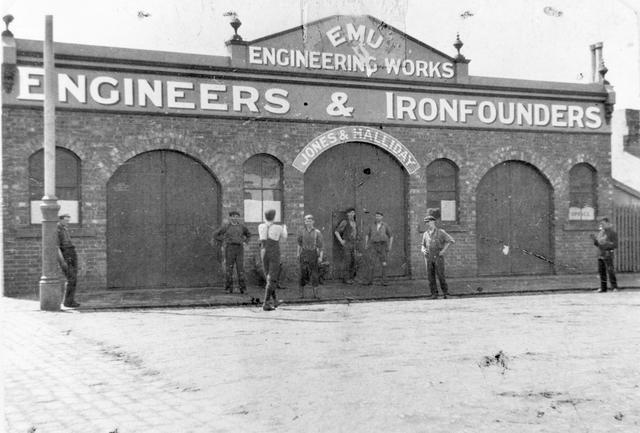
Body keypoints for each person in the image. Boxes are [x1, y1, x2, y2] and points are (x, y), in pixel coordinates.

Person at [214, 211, 251, 294]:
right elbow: (216, 235)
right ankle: (228, 288)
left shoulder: (242, 227)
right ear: (230, 217)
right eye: (233, 216)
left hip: (239, 249)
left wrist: (245, 241)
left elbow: (248, 234)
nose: (235, 218)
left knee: (240, 269)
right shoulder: (226, 227)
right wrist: (224, 240)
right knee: (229, 269)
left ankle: (243, 289)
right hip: (230, 248)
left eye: (237, 216)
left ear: (238, 218)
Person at [258, 209, 287, 311]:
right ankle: (265, 303)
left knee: (268, 277)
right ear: (274, 217)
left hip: (264, 251)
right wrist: (284, 227)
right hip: (274, 252)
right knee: (272, 278)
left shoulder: (261, 226)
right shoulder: (278, 227)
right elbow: (285, 236)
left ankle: (275, 301)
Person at [421, 213, 455, 299]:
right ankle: (434, 294)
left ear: (433, 222)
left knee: (440, 275)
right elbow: (422, 245)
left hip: (438, 256)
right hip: (428, 257)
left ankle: (445, 293)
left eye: (429, 222)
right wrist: (423, 250)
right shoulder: (425, 234)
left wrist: (443, 250)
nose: (427, 224)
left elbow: (451, 240)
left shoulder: (441, 232)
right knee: (430, 277)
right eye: (426, 223)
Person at [297, 214, 324, 299]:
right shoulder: (301, 231)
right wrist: (298, 253)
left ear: (313, 222)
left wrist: (320, 257)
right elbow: (299, 244)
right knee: (302, 274)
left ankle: (316, 295)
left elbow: (321, 246)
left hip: (313, 254)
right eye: (306, 221)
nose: (308, 222)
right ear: (304, 222)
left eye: (310, 221)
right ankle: (301, 295)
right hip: (304, 254)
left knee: (314, 274)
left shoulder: (317, 232)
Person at [590, 217, 618, 292]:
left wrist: (606, 245)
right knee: (602, 272)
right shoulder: (601, 233)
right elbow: (598, 244)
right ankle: (603, 288)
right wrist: (594, 240)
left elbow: (615, 245)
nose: (602, 225)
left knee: (610, 271)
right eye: (601, 224)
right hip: (600, 254)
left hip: (608, 254)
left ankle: (614, 287)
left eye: (603, 224)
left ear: (608, 223)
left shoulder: (612, 233)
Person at [364, 211, 393, 285]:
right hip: (373, 245)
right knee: (371, 263)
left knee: (384, 263)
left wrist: (390, 245)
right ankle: (369, 281)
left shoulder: (385, 225)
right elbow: (367, 235)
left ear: (382, 217)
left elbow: (391, 236)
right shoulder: (371, 225)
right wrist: (366, 244)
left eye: (379, 216)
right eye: (376, 216)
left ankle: (384, 281)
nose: (377, 218)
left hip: (383, 245)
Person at [57, 213, 80, 308]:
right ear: (60, 220)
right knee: (71, 278)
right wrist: (62, 261)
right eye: (66, 220)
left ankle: (69, 300)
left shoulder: (64, 228)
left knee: (73, 278)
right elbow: (57, 247)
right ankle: (67, 301)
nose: (67, 222)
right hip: (66, 255)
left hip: (71, 253)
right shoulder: (57, 230)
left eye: (68, 220)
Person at [334, 207, 358, 284]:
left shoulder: (354, 222)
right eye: (350, 213)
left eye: (353, 213)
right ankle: (346, 279)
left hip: (353, 243)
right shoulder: (345, 222)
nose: (352, 214)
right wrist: (341, 241)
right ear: (347, 214)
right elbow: (336, 232)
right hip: (347, 243)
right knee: (347, 261)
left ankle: (351, 278)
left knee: (353, 261)